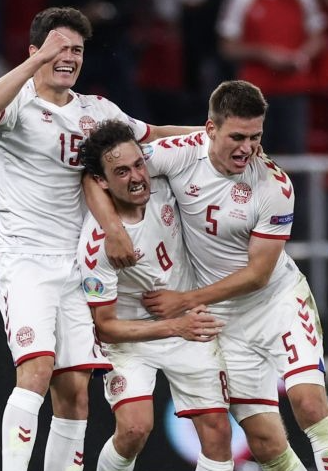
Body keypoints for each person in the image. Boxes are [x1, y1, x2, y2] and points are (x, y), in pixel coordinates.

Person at [0, 7, 200, 471]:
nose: (68, 57)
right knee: (35, 371)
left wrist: (213, 137)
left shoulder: (96, 111)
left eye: (76, 50)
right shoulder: (16, 104)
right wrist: (36, 62)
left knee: (75, 395)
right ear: (34, 51)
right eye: (58, 47)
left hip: (78, 266)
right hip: (27, 261)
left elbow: (153, 135)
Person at [137, 80, 328, 471]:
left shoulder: (274, 185)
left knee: (308, 403)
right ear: (210, 129)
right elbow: (111, 167)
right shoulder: (179, 154)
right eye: (237, 137)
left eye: (256, 137)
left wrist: (185, 300)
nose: (248, 149)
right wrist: (113, 229)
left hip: (276, 302)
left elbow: (257, 275)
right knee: (265, 443)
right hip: (224, 319)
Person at [76, 120, 233, 471]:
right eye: (121, 172)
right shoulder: (97, 246)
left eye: (138, 165)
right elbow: (105, 328)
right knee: (134, 429)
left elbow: (204, 141)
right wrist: (175, 327)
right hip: (131, 336)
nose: (136, 178)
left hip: (185, 321)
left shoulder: (162, 180)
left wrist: (231, 138)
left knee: (219, 432)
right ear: (102, 181)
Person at [217, 0, 327, 155]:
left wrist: (299, 57)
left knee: (295, 151)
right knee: (252, 151)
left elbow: (319, 38)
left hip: (294, 90)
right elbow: (227, 48)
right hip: (254, 94)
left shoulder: (304, 3)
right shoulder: (240, 3)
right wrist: (263, 54)